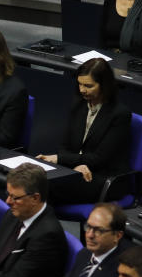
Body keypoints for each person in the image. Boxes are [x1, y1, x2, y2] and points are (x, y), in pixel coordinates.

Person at [35, 58, 131, 203]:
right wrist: (74, 165)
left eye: (88, 85)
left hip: (101, 177)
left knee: (42, 188)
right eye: (79, 84)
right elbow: (65, 146)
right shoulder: (79, 104)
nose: (82, 90)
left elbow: (100, 159)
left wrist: (59, 159)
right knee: (34, 180)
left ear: (104, 86)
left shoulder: (119, 114)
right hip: (76, 170)